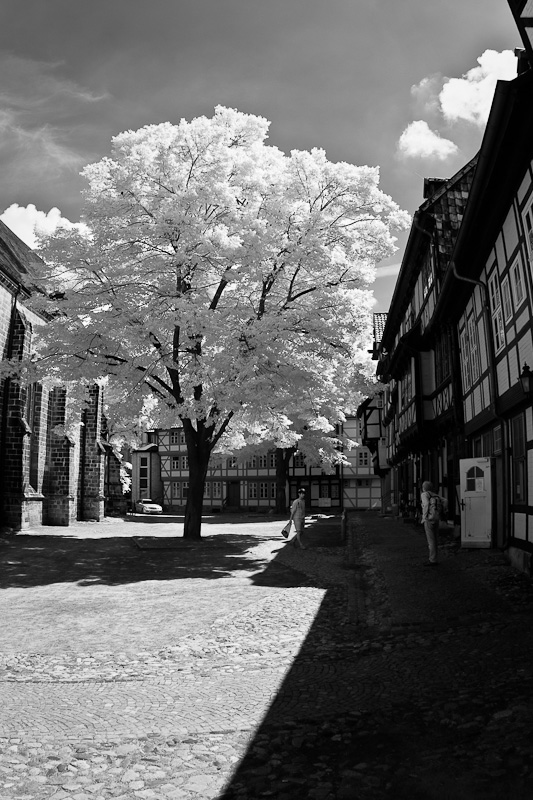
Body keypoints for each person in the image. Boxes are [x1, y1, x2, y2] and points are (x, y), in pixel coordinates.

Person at [420, 481, 447, 566]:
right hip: (436, 518)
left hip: (429, 519)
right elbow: (446, 500)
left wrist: (424, 517)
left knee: (430, 540)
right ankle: (435, 557)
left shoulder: (424, 494)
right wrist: (443, 511)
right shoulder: (435, 495)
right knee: (435, 539)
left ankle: (432, 560)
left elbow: (426, 504)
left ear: (423, 488)